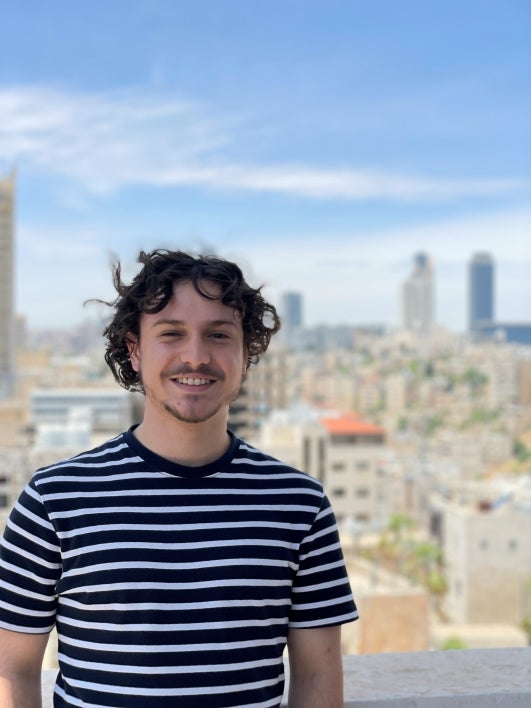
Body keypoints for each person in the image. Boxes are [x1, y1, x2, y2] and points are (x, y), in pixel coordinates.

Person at [0, 249, 358, 708]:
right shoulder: (54, 499)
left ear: (246, 352)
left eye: (218, 334)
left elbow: (318, 674)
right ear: (134, 349)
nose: (196, 356)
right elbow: (12, 670)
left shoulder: (299, 504)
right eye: (171, 334)